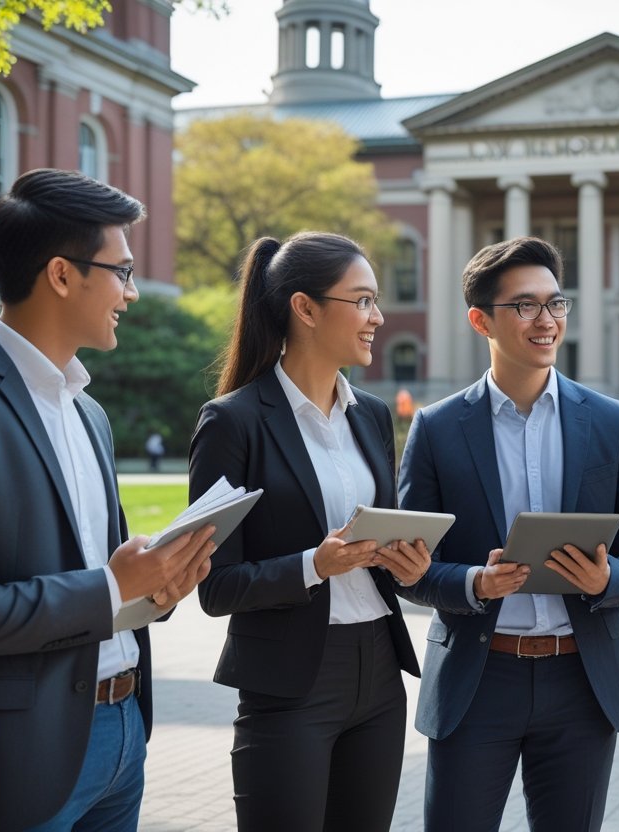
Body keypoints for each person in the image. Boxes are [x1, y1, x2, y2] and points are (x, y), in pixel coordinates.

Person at [0, 168, 216, 831]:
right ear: (62, 274)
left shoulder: (90, 414)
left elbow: (108, 578)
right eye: (122, 271)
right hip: (15, 759)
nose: (133, 293)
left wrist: (157, 589)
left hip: (122, 738)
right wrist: (111, 590)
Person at [397, 236, 619, 831]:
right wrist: (474, 584)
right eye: (524, 306)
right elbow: (410, 570)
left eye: (556, 303)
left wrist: (607, 578)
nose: (546, 321)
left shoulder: (612, 423)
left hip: (582, 681)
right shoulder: (438, 429)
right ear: (480, 319)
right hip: (477, 678)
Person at [188, 232, 426, 831]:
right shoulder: (233, 422)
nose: (378, 317)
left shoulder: (371, 415)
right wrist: (313, 565)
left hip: (378, 671)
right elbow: (215, 588)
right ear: (306, 308)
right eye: (363, 300)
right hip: (289, 683)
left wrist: (406, 564)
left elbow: (380, 539)